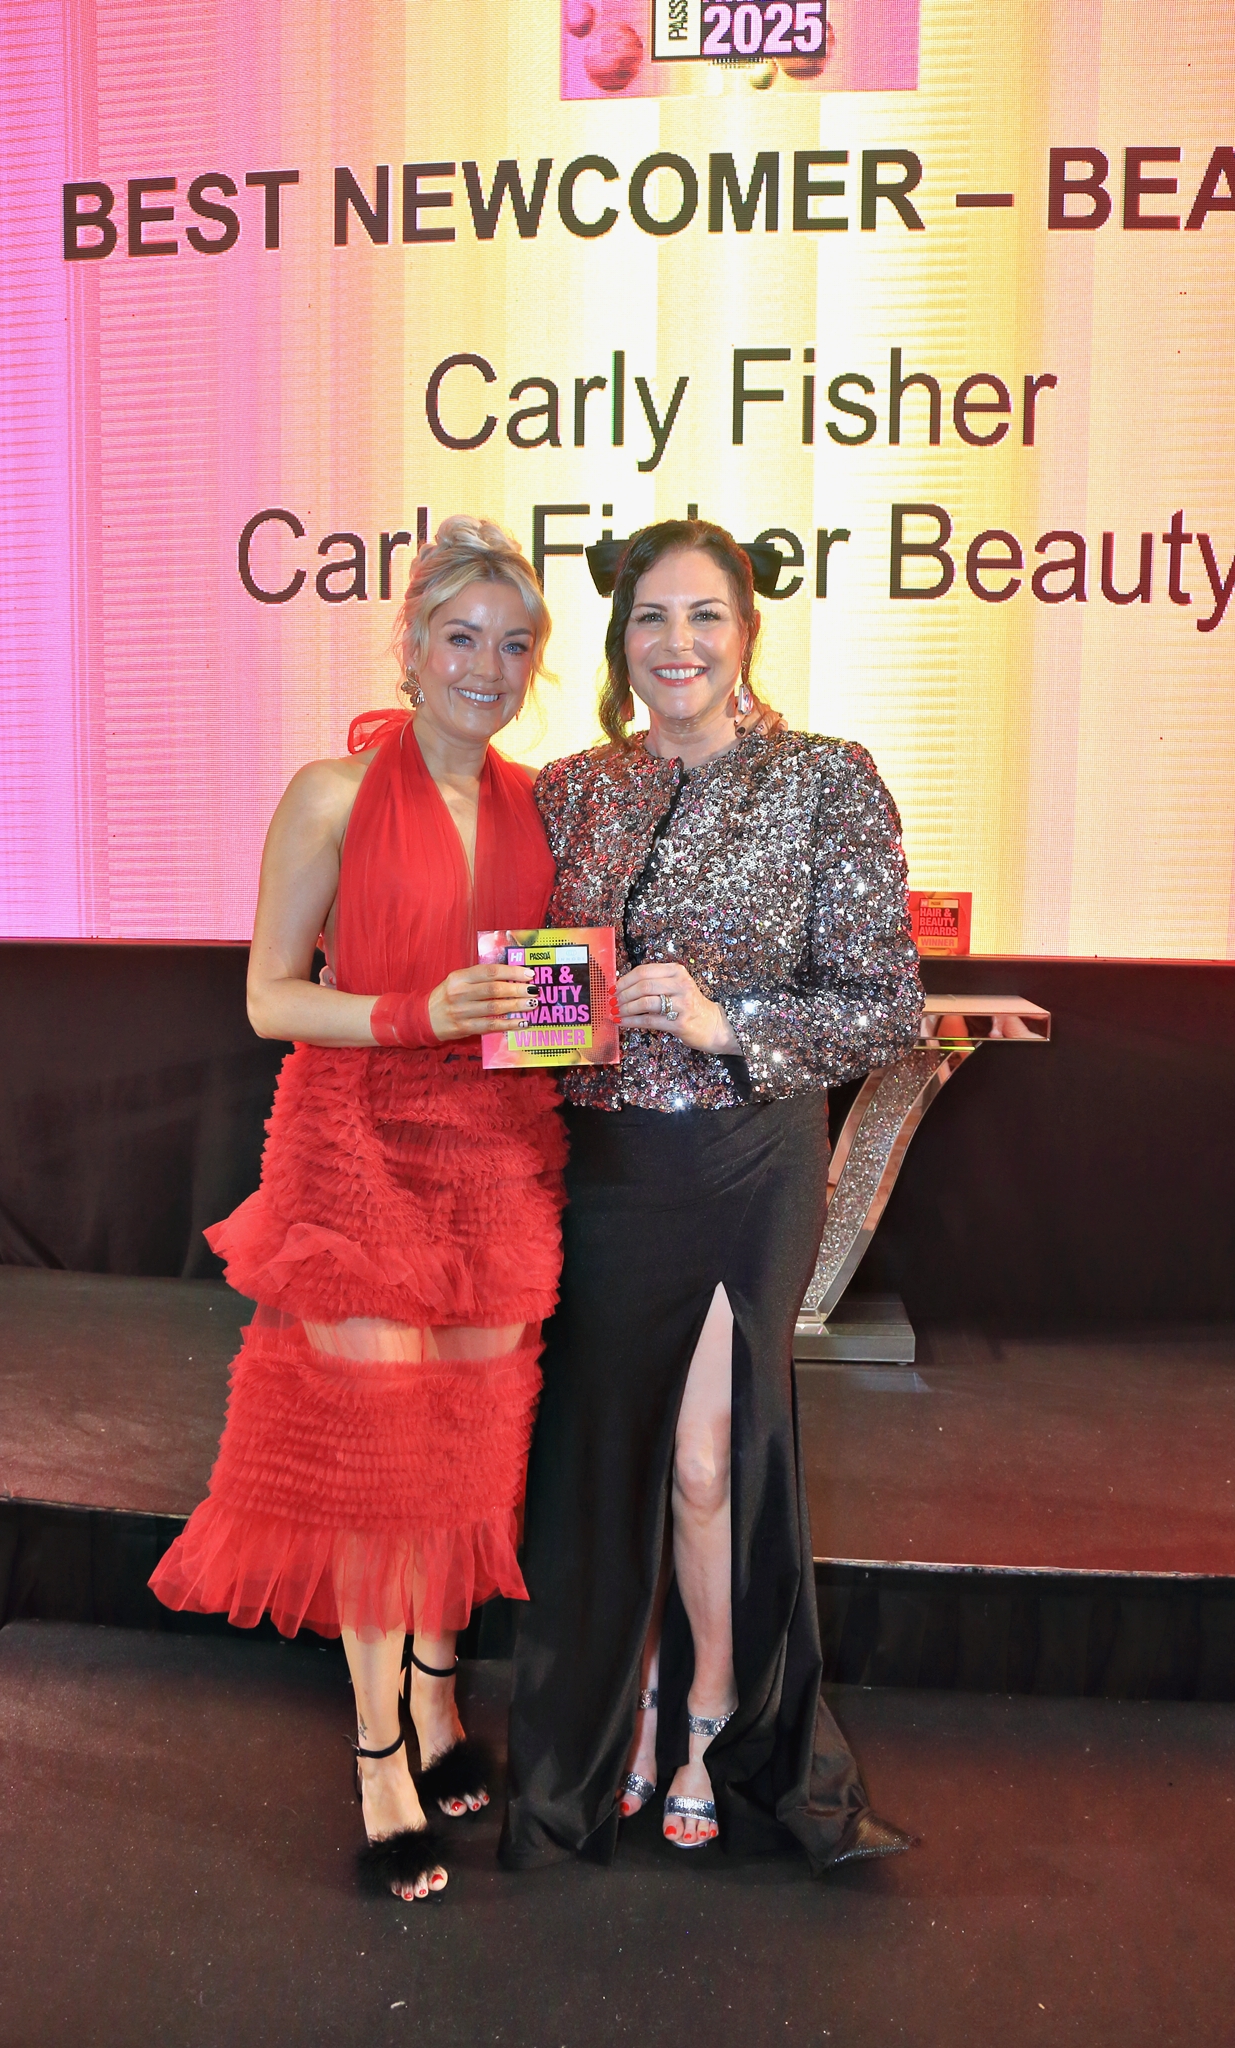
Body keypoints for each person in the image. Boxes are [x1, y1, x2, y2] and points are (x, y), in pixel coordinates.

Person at [150, 517, 567, 1902]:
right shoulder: (330, 793)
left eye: (514, 645)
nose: (486, 667)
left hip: (496, 1146)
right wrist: (411, 1012)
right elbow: (269, 997)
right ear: (410, 641)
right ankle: (380, 1750)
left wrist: (580, 1013)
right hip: (356, 1143)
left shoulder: (541, 805)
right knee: (380, 1461)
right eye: (461, 637)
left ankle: (438, 1696)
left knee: (469, 1444)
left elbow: (548, 990)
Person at [500, 519, 925, 1874]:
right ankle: (622, 1699)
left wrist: (721, 1018)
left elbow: (885, 1007)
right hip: (604, 1171)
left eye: (703, 617)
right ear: (619, 640)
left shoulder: (824, 779)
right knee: (604, 1455)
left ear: (746, 633)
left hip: (746, 1164)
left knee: (700, 1464)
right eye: (649, 618)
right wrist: (532, 1009)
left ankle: (712, 1711)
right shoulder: (570, 790)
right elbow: (542, 1000)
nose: (674, 643)